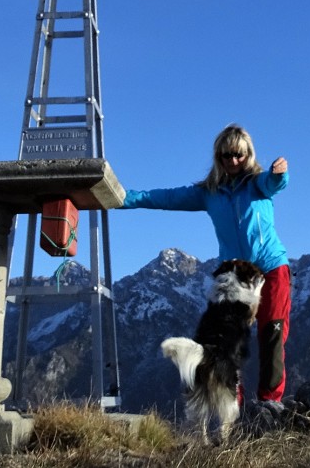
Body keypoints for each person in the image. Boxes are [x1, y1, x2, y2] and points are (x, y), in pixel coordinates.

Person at [121, 123, 292, 404]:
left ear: (248, 154)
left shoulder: (258, 184)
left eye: (239, 154)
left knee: (271, 336)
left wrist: (279, 173)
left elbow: (275, 184)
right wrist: (124, 199)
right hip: (234, 276)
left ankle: (269, 406)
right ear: (218, 157)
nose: (233, 161)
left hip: (271, 270)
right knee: (226, 342)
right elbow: (165, 197)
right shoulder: (209, 193)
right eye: (227, 156)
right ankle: (232, 410)